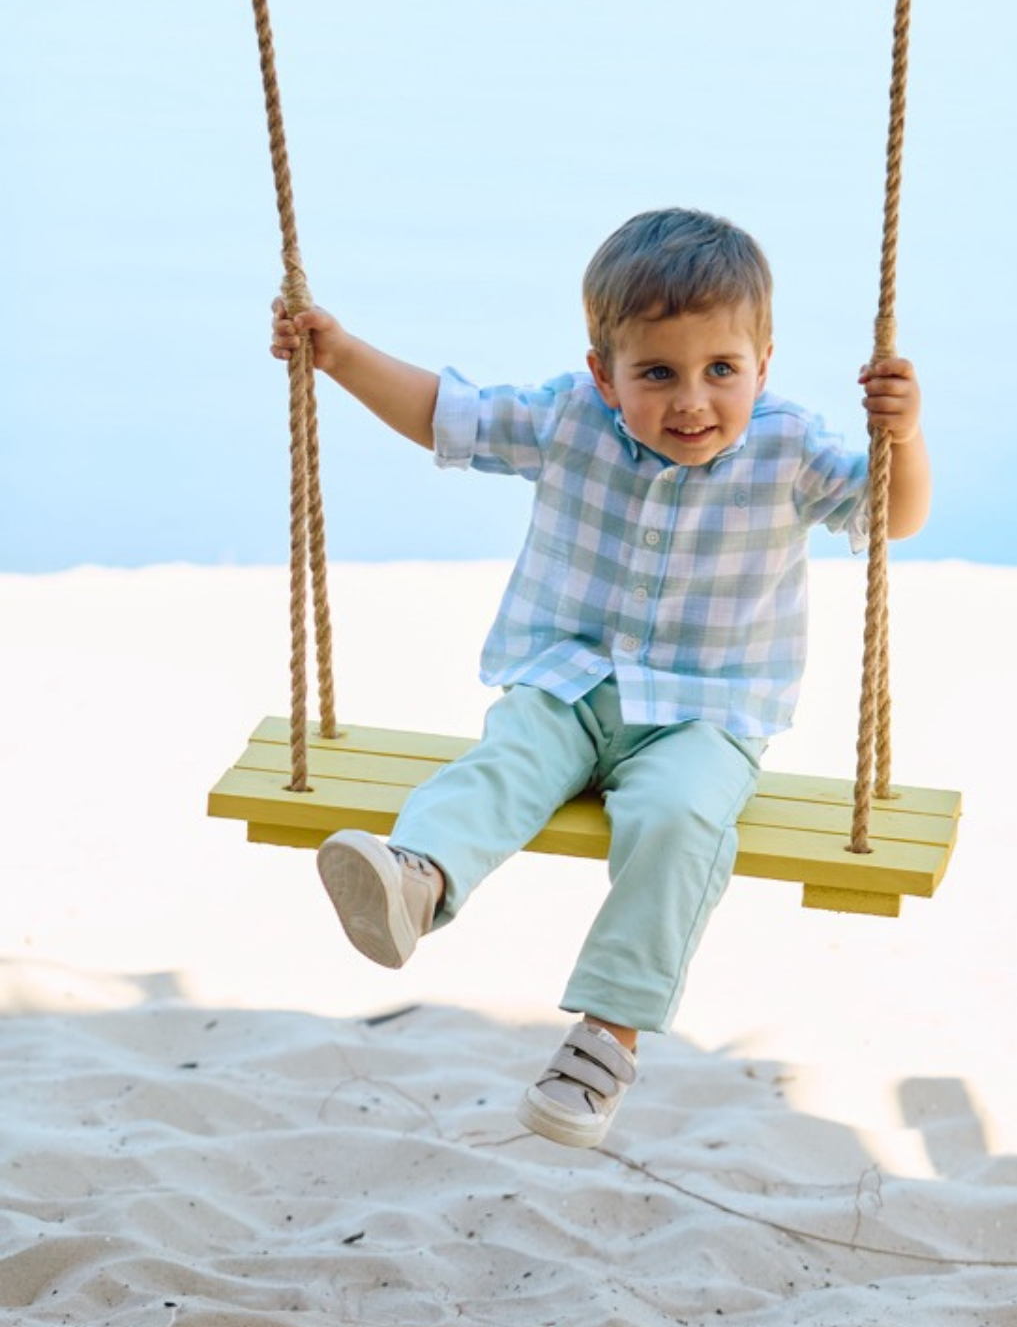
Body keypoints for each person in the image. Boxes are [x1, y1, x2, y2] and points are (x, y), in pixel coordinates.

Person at [269, 208, 931, 1148]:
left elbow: (893, 517)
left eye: (721, 371)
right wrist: (338, 355)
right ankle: (419, 878)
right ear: (603, 375)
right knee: (508, 758)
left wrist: (905, 436)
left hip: (706, 715)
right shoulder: (566, 420)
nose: (691, 401)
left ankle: (606, 1039)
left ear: (764, 363)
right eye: (656, 372)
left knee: (678, 821)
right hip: (569, 683)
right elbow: (444, 415)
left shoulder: (791, 449)